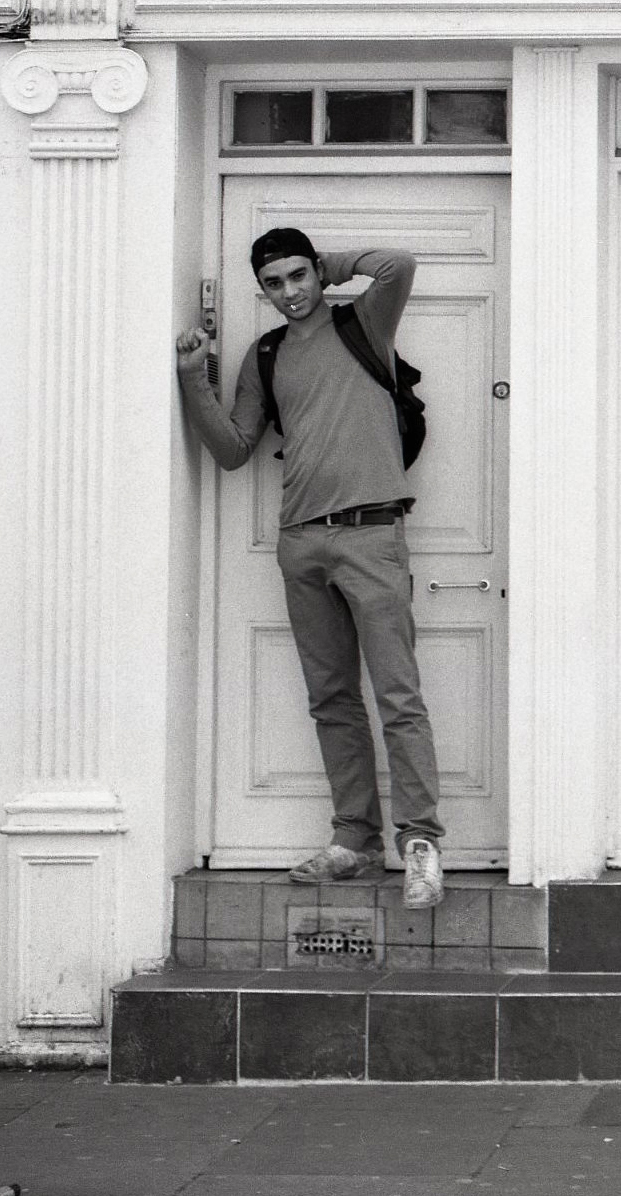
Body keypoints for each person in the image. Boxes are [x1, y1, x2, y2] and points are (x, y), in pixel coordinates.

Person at [175, 228, 444, 909]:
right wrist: (192, 380)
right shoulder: (265, 356)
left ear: (316, 274)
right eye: (275, 283)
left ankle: (420, 843)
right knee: (331, 699)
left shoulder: (364, 323)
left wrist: (333, 266)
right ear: (261, 290)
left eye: (299, 276)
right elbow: (233, 449)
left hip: (372, 535)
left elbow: (399, 263)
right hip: (300, 543)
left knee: (399, 697)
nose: (290, 292)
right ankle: (355, 840)